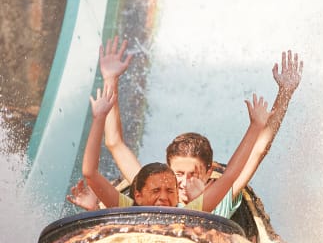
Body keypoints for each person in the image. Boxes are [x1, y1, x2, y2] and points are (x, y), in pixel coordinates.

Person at [96, 36, 302, 216]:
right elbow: (114, 143)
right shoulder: (156, 190)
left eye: (193, 174)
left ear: (208, 173)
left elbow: (259, 150)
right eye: (178, 174)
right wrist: (110, 79)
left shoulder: (220, 197)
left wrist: (285, 92)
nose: (184, 183)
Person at [81, 85, 271, 211]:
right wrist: (99, 118)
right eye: (156, 191)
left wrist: (255, 127)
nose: (163, 197)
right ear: (138, 195)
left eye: (170, 192)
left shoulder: (191, 210)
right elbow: (91, 171)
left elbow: (230, 175)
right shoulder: (134, 207)